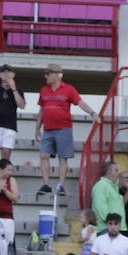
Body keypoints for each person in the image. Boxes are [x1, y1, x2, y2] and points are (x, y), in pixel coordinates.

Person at [36, 65, 97, 197]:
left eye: (48, 74)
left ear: (56, 75)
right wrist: (37, 129)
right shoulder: (43, 90)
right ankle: (46, 184)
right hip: (48, 129)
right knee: (44, 155)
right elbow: (42, 110)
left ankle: (60, 185)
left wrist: (92, 113)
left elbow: (80, 103)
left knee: (63, 158)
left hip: (64, 128)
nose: (45, 76)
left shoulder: (69, 89)